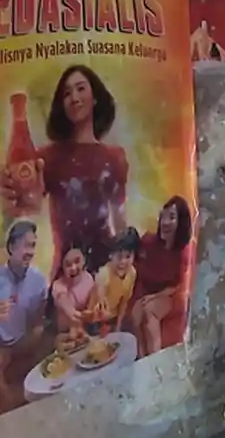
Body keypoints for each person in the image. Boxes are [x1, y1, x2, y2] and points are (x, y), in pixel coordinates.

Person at [0, 65, 129, 275]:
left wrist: (126, 269)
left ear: (95, 98)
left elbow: (120, 219)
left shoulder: (115, 157)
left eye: (80, 88)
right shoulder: (47, 158)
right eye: (67, 93)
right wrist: (11, 201)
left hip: (106, 271)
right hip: (65, 273)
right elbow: (26, 208)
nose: (74, 97)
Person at [130, 196, 192, 357]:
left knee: (149, 312)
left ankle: (156, 359)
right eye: (163, 216)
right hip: (148, 293)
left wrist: (154, 297)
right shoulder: (149, 242)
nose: (165, 222)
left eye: (171, 217)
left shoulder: (184, 253)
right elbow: (135, 267)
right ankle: (142, 360)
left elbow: (179, 284)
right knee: (137, 315)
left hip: (171, 294)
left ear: (181, 222)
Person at [0, 222, 48, 409]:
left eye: (33, 245)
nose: (31, 252)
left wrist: (34, 336)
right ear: (12, 247)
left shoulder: (39, 280)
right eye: (27, 245)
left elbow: (38, 320)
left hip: (23, 340)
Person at [91, 228, 140, 333]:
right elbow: (101, 304)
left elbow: (124, 302)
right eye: (119, 256)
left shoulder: (132, 273)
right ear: (111, 255)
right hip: (95, 319)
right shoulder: (104, 273)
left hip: (112, 317)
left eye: (128, 257)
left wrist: (118, 326)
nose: (123, 262)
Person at [51, 245, 95, 333]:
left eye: (77, 261)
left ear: (84, 260)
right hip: (65, 332)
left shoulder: (89, 278)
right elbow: (65, 303)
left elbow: (93, 304)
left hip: (86, 328)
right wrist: (75, 313)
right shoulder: (58, 285)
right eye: (68, 265)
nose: (73, 268)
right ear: (62, 267)